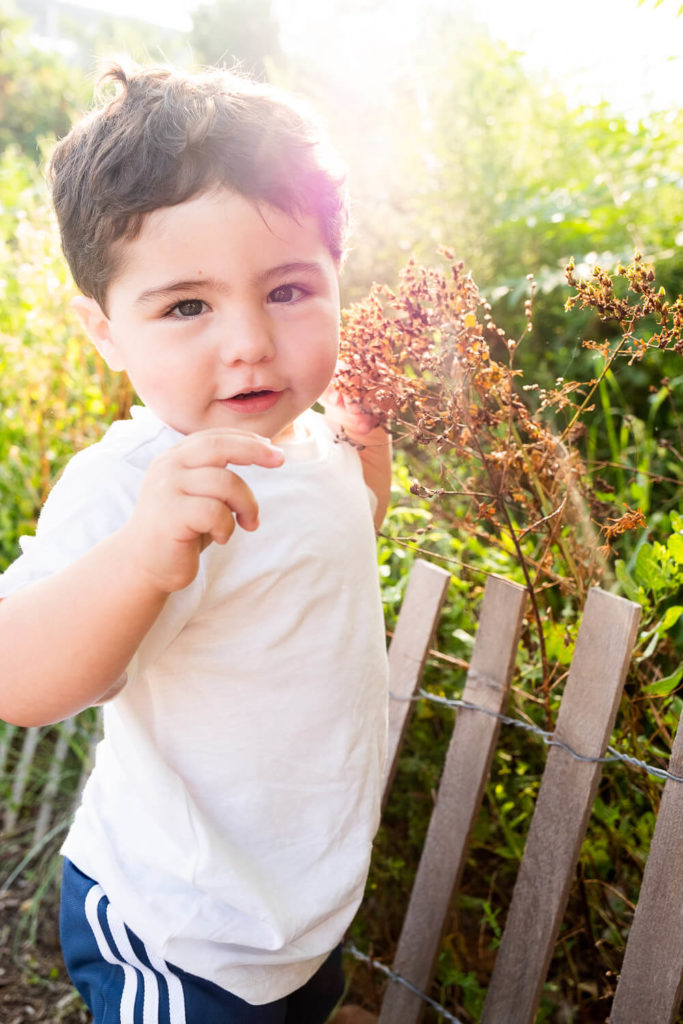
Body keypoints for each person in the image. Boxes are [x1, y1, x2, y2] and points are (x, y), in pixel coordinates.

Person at [0, 63, 392, 1024]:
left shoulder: (316, 442)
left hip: (298, 910)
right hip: (177, 928)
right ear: (106, 332)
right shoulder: (134, 486)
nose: (250, 342)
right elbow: (18, 680)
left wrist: (370, 439)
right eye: (186, 307)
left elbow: (343, 532)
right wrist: (141, 557)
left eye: (291, 290)